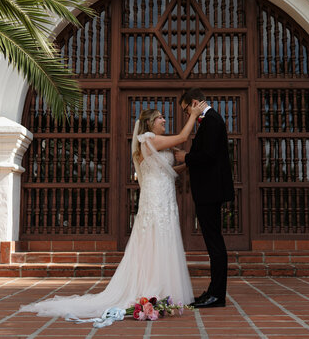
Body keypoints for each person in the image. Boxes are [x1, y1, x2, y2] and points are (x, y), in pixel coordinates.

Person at [19, 101, 206, 319]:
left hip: (165, 196)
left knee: (164, 238)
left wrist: (190, 163)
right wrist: (193, 115)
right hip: (155, 198)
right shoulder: (148, 140)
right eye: (160, 118)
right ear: (149, 123)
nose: (164, 120)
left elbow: (167, 170)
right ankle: (150, 288)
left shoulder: (155, 142)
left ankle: (164, 290)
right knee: (154, 238)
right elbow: (183, 137)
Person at [175, 88, 234, 309]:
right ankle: (213, 291)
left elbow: (208, 156)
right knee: (213, 242)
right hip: (209, 191)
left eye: (185, 109)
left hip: (211, 191)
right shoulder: (210, 120)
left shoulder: (212, 121)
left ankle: (217, 295)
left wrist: (186, 157)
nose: (185, 113)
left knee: (214, 243)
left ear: (194, 103)